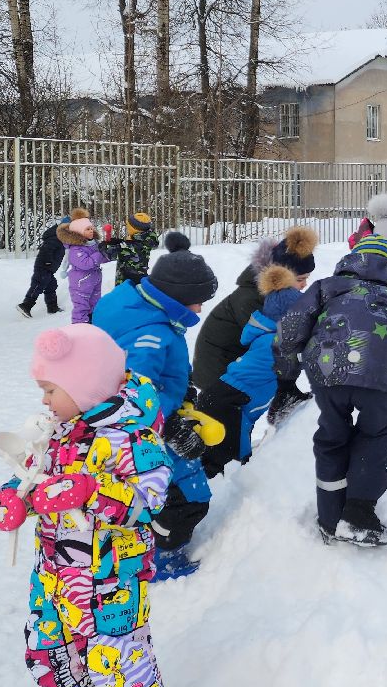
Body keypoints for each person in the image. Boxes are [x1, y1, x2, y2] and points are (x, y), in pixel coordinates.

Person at [0, 325, 176, 687]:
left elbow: (149, 500)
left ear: (86, 387)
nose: (45, 401)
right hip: (55, 579)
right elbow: (28, 479)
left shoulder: (133, 440)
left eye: (51, 390)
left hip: (112, 588)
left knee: (121, 671)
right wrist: (11, 499)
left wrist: (89, 490)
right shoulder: (55, 434)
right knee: (57, 656)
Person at [275, 196, 387, 546]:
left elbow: (290, 327)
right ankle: (359, 513)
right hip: (380, 375)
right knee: (375, 435)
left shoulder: (327, 286)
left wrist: (286, 374)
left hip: (327, 372)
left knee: (332, 437)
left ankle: (330, 519)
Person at [92, 232, 220, 580]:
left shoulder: (135, 304)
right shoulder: (150, 336)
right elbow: (132, 398)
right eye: (197, 300)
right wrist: (171, 425)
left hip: (147, 417)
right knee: (186, 498)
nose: (200, 308)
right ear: (177, 296)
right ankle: (157, 558)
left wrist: (183, 391)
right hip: (139, 431)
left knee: (161, 490)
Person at [196, 263, 307, 478]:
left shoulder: (268, 336)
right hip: (228, 403)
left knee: (229, 458)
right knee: (228, 463)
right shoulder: (276, 344)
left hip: (229, 400)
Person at [190, 225, 318, 405]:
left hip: (234, 365)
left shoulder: (275, 296)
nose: (304, 285)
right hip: (218, 372)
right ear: (280, 275)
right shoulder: (253, 298)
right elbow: (272, 345)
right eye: (300, 279)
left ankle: (285, 393)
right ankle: (285, 395)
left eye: (307, 278)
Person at [57, 211, 113, 324]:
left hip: (94, 280)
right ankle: (80, 327)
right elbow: (86, 263)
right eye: (87, 229)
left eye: (91, 228)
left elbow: (100, 259)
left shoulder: (93, 244)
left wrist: (109, 253)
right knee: (81, 307)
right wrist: (101, 252)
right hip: (80, 282)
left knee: (95, 304)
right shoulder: (75, 249)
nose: (91, 230)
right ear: (79, 232)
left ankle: (92, 323)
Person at [17, 211, 73, 317]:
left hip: (49, 268)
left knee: (51, 286)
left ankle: (52, 308)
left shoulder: (60, 238)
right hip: (44, 266)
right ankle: (26, 305)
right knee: (38, 285)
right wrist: (47, 262)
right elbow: (47, 250)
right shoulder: (55, 237)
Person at [102, 212, 162, 288]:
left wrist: (103, 245)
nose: (127, 226)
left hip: (128, 283)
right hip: (137, 278)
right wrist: (117, 241)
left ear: (134, 229)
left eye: (128, 225)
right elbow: (127, 245)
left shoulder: (133, 246)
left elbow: (110, 253)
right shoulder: (145, 239)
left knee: (126, 299)